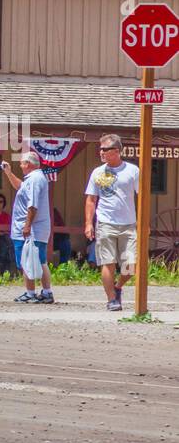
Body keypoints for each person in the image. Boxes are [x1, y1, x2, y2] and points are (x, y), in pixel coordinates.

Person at [84, 132, 140, 312]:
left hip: (129, 223)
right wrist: (88, 223)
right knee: (107, 262)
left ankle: (118, 287)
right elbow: (91, 199)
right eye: (100, 149)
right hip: (105, 222)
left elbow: (142, 197)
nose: (101, 152)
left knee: (131, 265)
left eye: (104, 149)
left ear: (116, 150)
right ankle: (112, 300)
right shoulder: (97, 172)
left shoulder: (132, 171)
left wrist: (143, 222)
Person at [2, 149, 53, 303]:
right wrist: (9, 173)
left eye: (22, 162)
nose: (20, 164)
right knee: (39, 260)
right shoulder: (32, 179)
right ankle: (46, 292)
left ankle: (31, 293)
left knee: (28, 261)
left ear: (29, 164)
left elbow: (33, 205)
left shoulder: (35, 179)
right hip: (34, 228)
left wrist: (27, 225)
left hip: (32, 229)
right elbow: (20, 187)